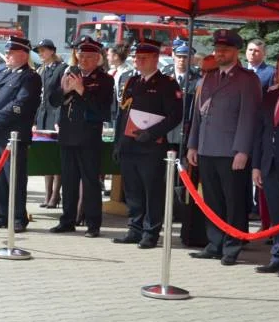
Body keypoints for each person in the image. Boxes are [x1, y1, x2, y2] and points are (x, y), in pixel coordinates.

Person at [186, 29, 261, 265]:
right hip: (207, 148)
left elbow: (249, 117)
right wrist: (193, 145)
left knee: (234, 202)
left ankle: (232, 245)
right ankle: (215, 243)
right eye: (217, 50)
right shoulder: (209, 78)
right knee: (213, 201)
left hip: (231, 151)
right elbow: (199, 115)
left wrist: (242, 150)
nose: (220, 54)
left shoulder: (247, 79)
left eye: (225, 50)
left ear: (235, 52)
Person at [111, 40, 182, 248]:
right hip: (129, 146)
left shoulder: (167, 84)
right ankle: (135, 228)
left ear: (155, 59)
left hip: (151, 147)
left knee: (152, 191)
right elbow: (122, 115)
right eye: (136, 57)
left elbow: (175, 116)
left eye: (143, 58)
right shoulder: (132, 82)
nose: (138, 61)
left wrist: (151, 133)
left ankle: (151, 232)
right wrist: (118, 144)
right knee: (132, 191)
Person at [47, 38, 114, 237]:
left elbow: (101, 110)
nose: (83, 60)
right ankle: (67, 220)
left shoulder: (104, 80)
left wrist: (81, 90)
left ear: (97, 59)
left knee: (90, 182)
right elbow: (52, 100)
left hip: (88, 137)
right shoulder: (68, 73)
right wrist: (66, 89)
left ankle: (93, 224)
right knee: (68, 180)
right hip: (68, 134)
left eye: (88, 57)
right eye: (81, 56)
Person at [0, 36, 42, 232]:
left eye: (10, 53)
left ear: (23, 55)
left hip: (13, 136)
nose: (6, 56)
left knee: (14, 178)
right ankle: (2, 214)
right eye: (6, 53)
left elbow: (20, 104)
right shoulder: (0, 74)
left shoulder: (30, 77)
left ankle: (18, 217)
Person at [251, 55, 279, 274]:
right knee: (277, 213)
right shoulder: (271, 95)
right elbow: (260, 132)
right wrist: (256, 165)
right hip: (270, 164)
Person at [34, 38, 64, 209]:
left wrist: (59, 119)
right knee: (47, 157)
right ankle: (47, 194)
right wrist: (35, 120)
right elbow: (39, 98)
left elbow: (61, 97)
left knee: (55, 158)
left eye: (44, 50)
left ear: (52, 51)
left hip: (55, 117)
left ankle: (55, 194)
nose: (41, 54)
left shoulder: (61, 69)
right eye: (39, 51)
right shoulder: (41, 70)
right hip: (43, 116)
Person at [162, 39, 199, 149]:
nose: (181, 60)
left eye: (185, 57)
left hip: (185, 129)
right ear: (174, 56)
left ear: (191, 59)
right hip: (164, 128)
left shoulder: (197, 79)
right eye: (179, 56)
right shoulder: (164, 76)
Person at [107, 43, 133, 125]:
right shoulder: (112, 71)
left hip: (121, 111)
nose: (107, 58)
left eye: (108, 55)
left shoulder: (127, 72)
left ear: (115, 56)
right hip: (110, 110)